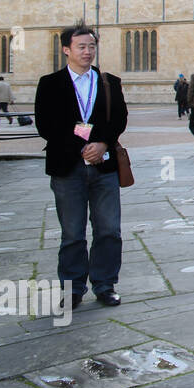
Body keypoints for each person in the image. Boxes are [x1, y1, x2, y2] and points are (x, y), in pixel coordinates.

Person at [34, 24, 128, 309]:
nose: (87, 52)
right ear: (66, 50)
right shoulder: (50, 83)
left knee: (109, 229)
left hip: (104, 166)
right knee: (72, 232)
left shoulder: (109, 82)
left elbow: (119, 119)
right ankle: (73, 288)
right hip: (68, 167)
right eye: (81, 47)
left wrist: (102, 144)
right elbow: (46, 124)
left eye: (91, 47)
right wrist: (83, 145)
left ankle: (105, 284)